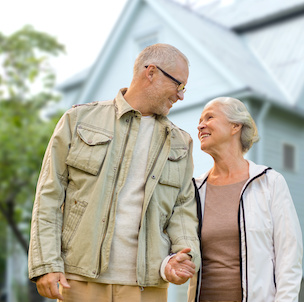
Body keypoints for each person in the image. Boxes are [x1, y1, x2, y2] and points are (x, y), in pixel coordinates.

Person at [28, 43, 200, 302]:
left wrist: (184, 255)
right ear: (150, 72)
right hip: (80, 280)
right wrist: (46, 264)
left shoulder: (181, 143)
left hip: (148, 286)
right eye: (179, 85)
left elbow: (183, 210)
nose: (181, 96)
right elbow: (49, 196)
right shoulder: (78, 121)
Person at [189, 97, 303, 302]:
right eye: (200, 120)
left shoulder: (269, 182)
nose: (200, 125)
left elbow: (289, 256)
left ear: (235, 126)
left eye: (210, 117)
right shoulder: (195, 189)